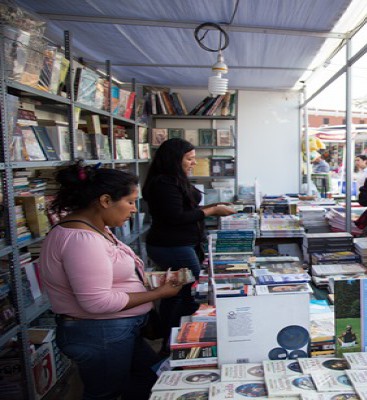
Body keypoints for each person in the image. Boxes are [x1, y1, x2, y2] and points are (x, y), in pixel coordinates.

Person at [38, 162, 181, 399]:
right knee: (106, 393)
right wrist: (159, 294)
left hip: (113, 330)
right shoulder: (82, 240)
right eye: (129, 201)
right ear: (105, 201)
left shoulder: (95, 228)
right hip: (99, 332)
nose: (134, 209)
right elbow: (97, 302)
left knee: (149, 380)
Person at [143, 138, 235, 353]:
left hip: (180, 244)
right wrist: (212, 211)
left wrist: (214, 206)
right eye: (189, 159)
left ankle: (171, 336)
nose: (193, 163)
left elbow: (186, 208)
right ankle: (179, 341)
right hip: (172, 245)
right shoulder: (164, 183)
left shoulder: (174, 179)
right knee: (189, 293)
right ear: (175, 159)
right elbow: (176, 216)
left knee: (175, 292)